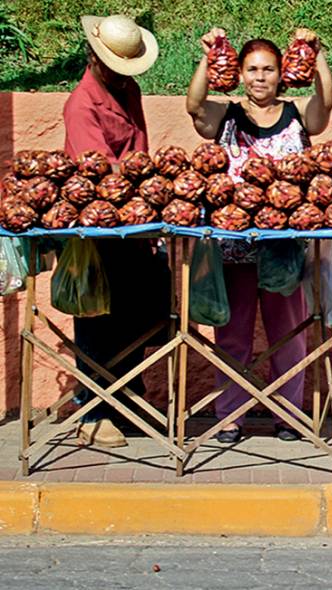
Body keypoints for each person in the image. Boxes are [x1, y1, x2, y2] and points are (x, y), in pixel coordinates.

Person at [185, 28, 332, 442]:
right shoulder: (227, 116)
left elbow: (324, 104)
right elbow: (194, 106)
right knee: (232, 337)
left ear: (281, 73)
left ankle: (287, 415)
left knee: (287, 335)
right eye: (251, 69)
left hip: (284, 249)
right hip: (232, 248)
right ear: (240, 74)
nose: (259, 77)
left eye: (268, 69)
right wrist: (207, 56)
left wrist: (317, 54)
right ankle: (229, 417)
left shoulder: (296, 116)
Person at [64, 14, 171, 447]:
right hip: (97, 226)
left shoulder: (130, 89)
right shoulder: (81, 103)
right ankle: (93, 408)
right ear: (94, 57)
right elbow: (98, 169)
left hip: (134, 223)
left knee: (139, 309)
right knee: (98, 314)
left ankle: (127, 395)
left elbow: (138, 149)